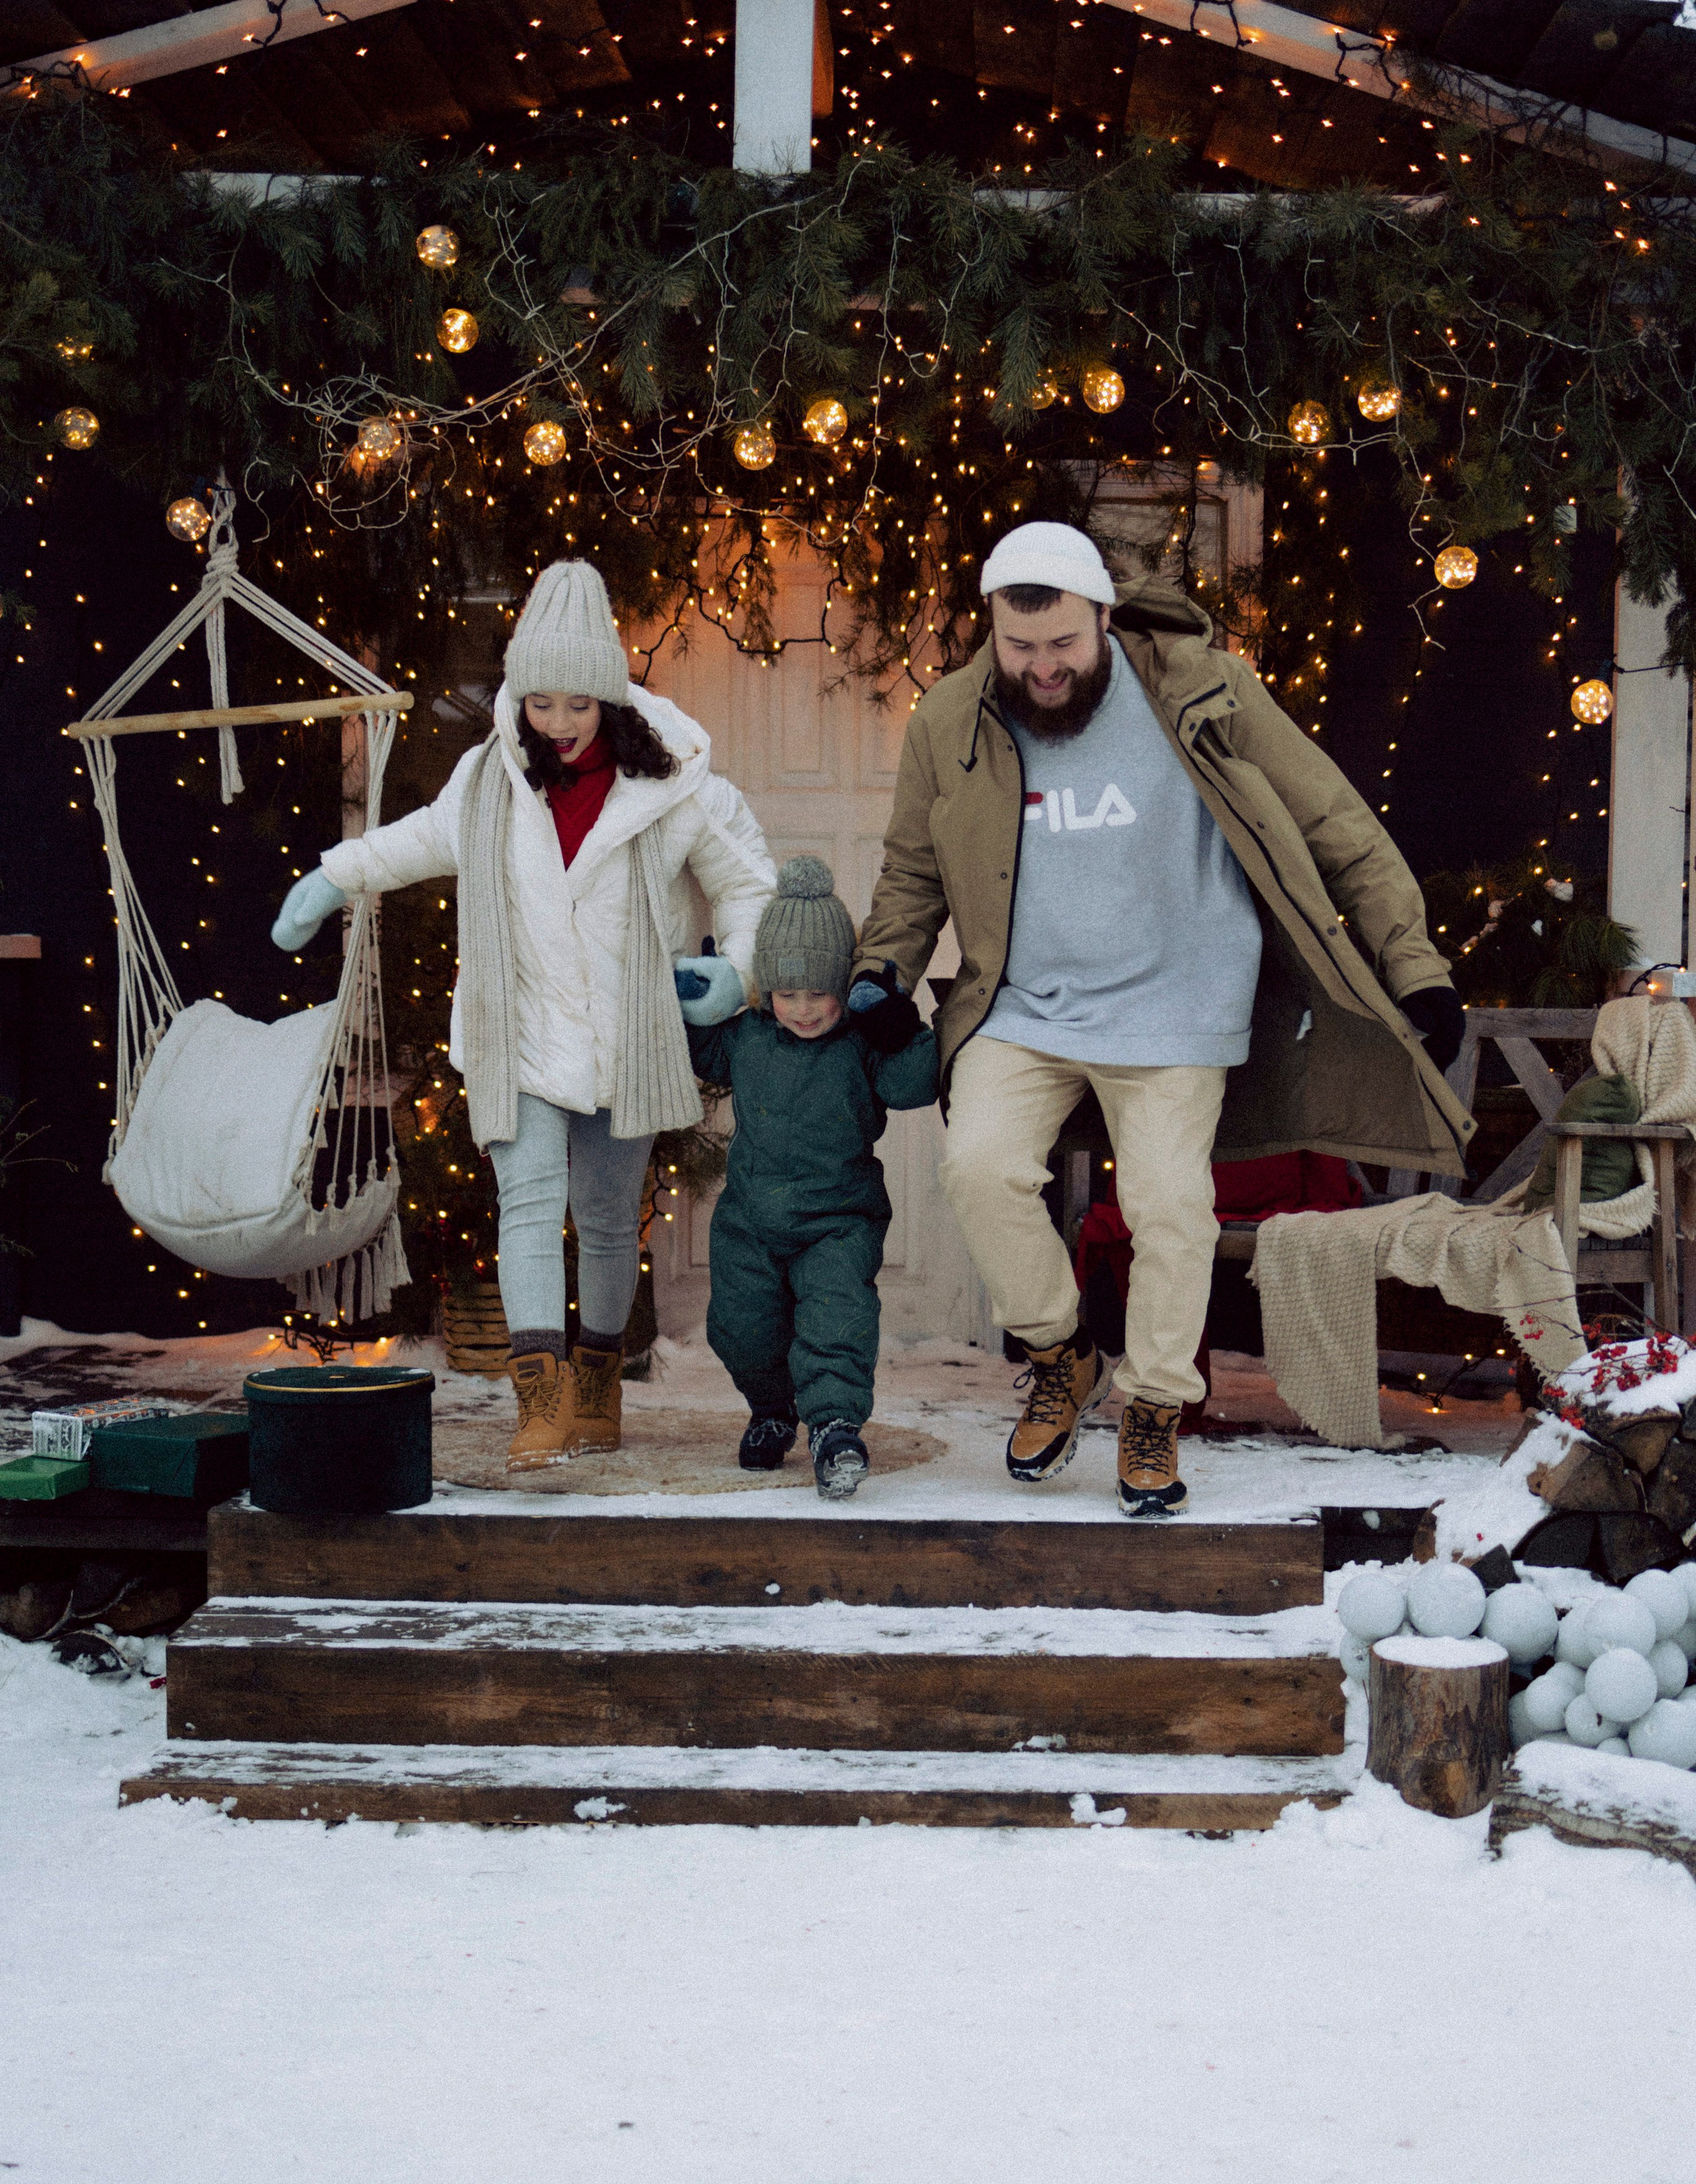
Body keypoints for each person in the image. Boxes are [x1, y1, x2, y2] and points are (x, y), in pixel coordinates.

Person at [847, 521, 1469, 1522]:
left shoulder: (1200, 687)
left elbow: (1335, 821)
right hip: (1025, 1002)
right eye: (1020, 647)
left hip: (1178, 1001)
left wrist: (1415, 967)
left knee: (1171, 1205)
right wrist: (884, 971)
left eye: (1063, 644)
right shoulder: (953, 717)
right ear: (992, 628)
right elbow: (915, 867)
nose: (1043, 668)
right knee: (978, 1168)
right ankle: (1061, 1353)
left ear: (1104, 616)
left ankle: (1154, 1405)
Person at [270, 560, 774, 1472]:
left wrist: (737, 973)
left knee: (611, 1220)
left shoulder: (677, 783)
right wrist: (332, 877)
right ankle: (539, 1404)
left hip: (626, 1038)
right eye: (541, 703)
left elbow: (748, 881)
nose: (560, 722)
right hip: (522, 1032)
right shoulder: (487, 780)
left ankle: (598, 1390)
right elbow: (419, 840)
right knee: (530, 1208)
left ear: (610, 697)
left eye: (579, 704)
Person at [684, 857, 939, 1500]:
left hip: (839, 1220)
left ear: (842, 987)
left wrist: (902, 1029)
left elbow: (913, 1084)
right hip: (749, 1221)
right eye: (787, 993)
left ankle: (834, 1428)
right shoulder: (747, 1037)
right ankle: (773, 1410)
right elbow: (697, 1051)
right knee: (740, 1329)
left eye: (819, 993)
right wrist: (696, 1001)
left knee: (836, 1321)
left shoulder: (860, 1042)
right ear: (765, 989)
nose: (802, 1010)